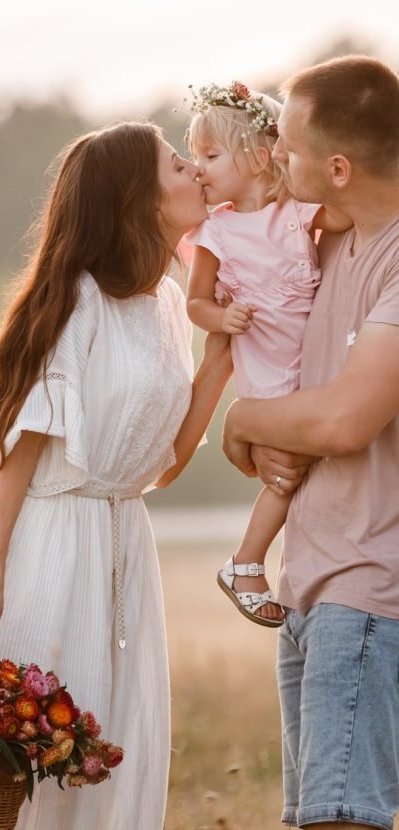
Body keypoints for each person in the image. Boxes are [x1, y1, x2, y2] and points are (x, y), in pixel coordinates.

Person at [0, 121, 236, 830]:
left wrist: (220, 365)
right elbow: (21, 452)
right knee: (27, 766)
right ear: (137, 200)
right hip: (46, 549)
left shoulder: (169, 307)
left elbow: (162, 467)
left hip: (120, 548)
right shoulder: (75, 303)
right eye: (178, 164)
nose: (195, 173)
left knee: (112, 754)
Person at [222, 56, 399, 830]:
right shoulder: (325, 241)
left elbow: (342, 421)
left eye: (287, 150)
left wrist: (246, 421)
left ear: (338, 166)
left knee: (343, 827)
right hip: (313, 585)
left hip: (369, 586)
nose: (274, 164)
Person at [184, 81, 350, 627]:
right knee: (288, 472)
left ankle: (279, 562)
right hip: (268, 374)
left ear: (259, 157)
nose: (199, 168)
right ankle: (246, 561)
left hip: (314, 369)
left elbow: (346, 218)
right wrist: (222, 317)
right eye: (193, 157)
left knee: (305, 468)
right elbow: (196, 303)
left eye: (210, 155)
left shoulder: (294, 214)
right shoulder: (218, 232)